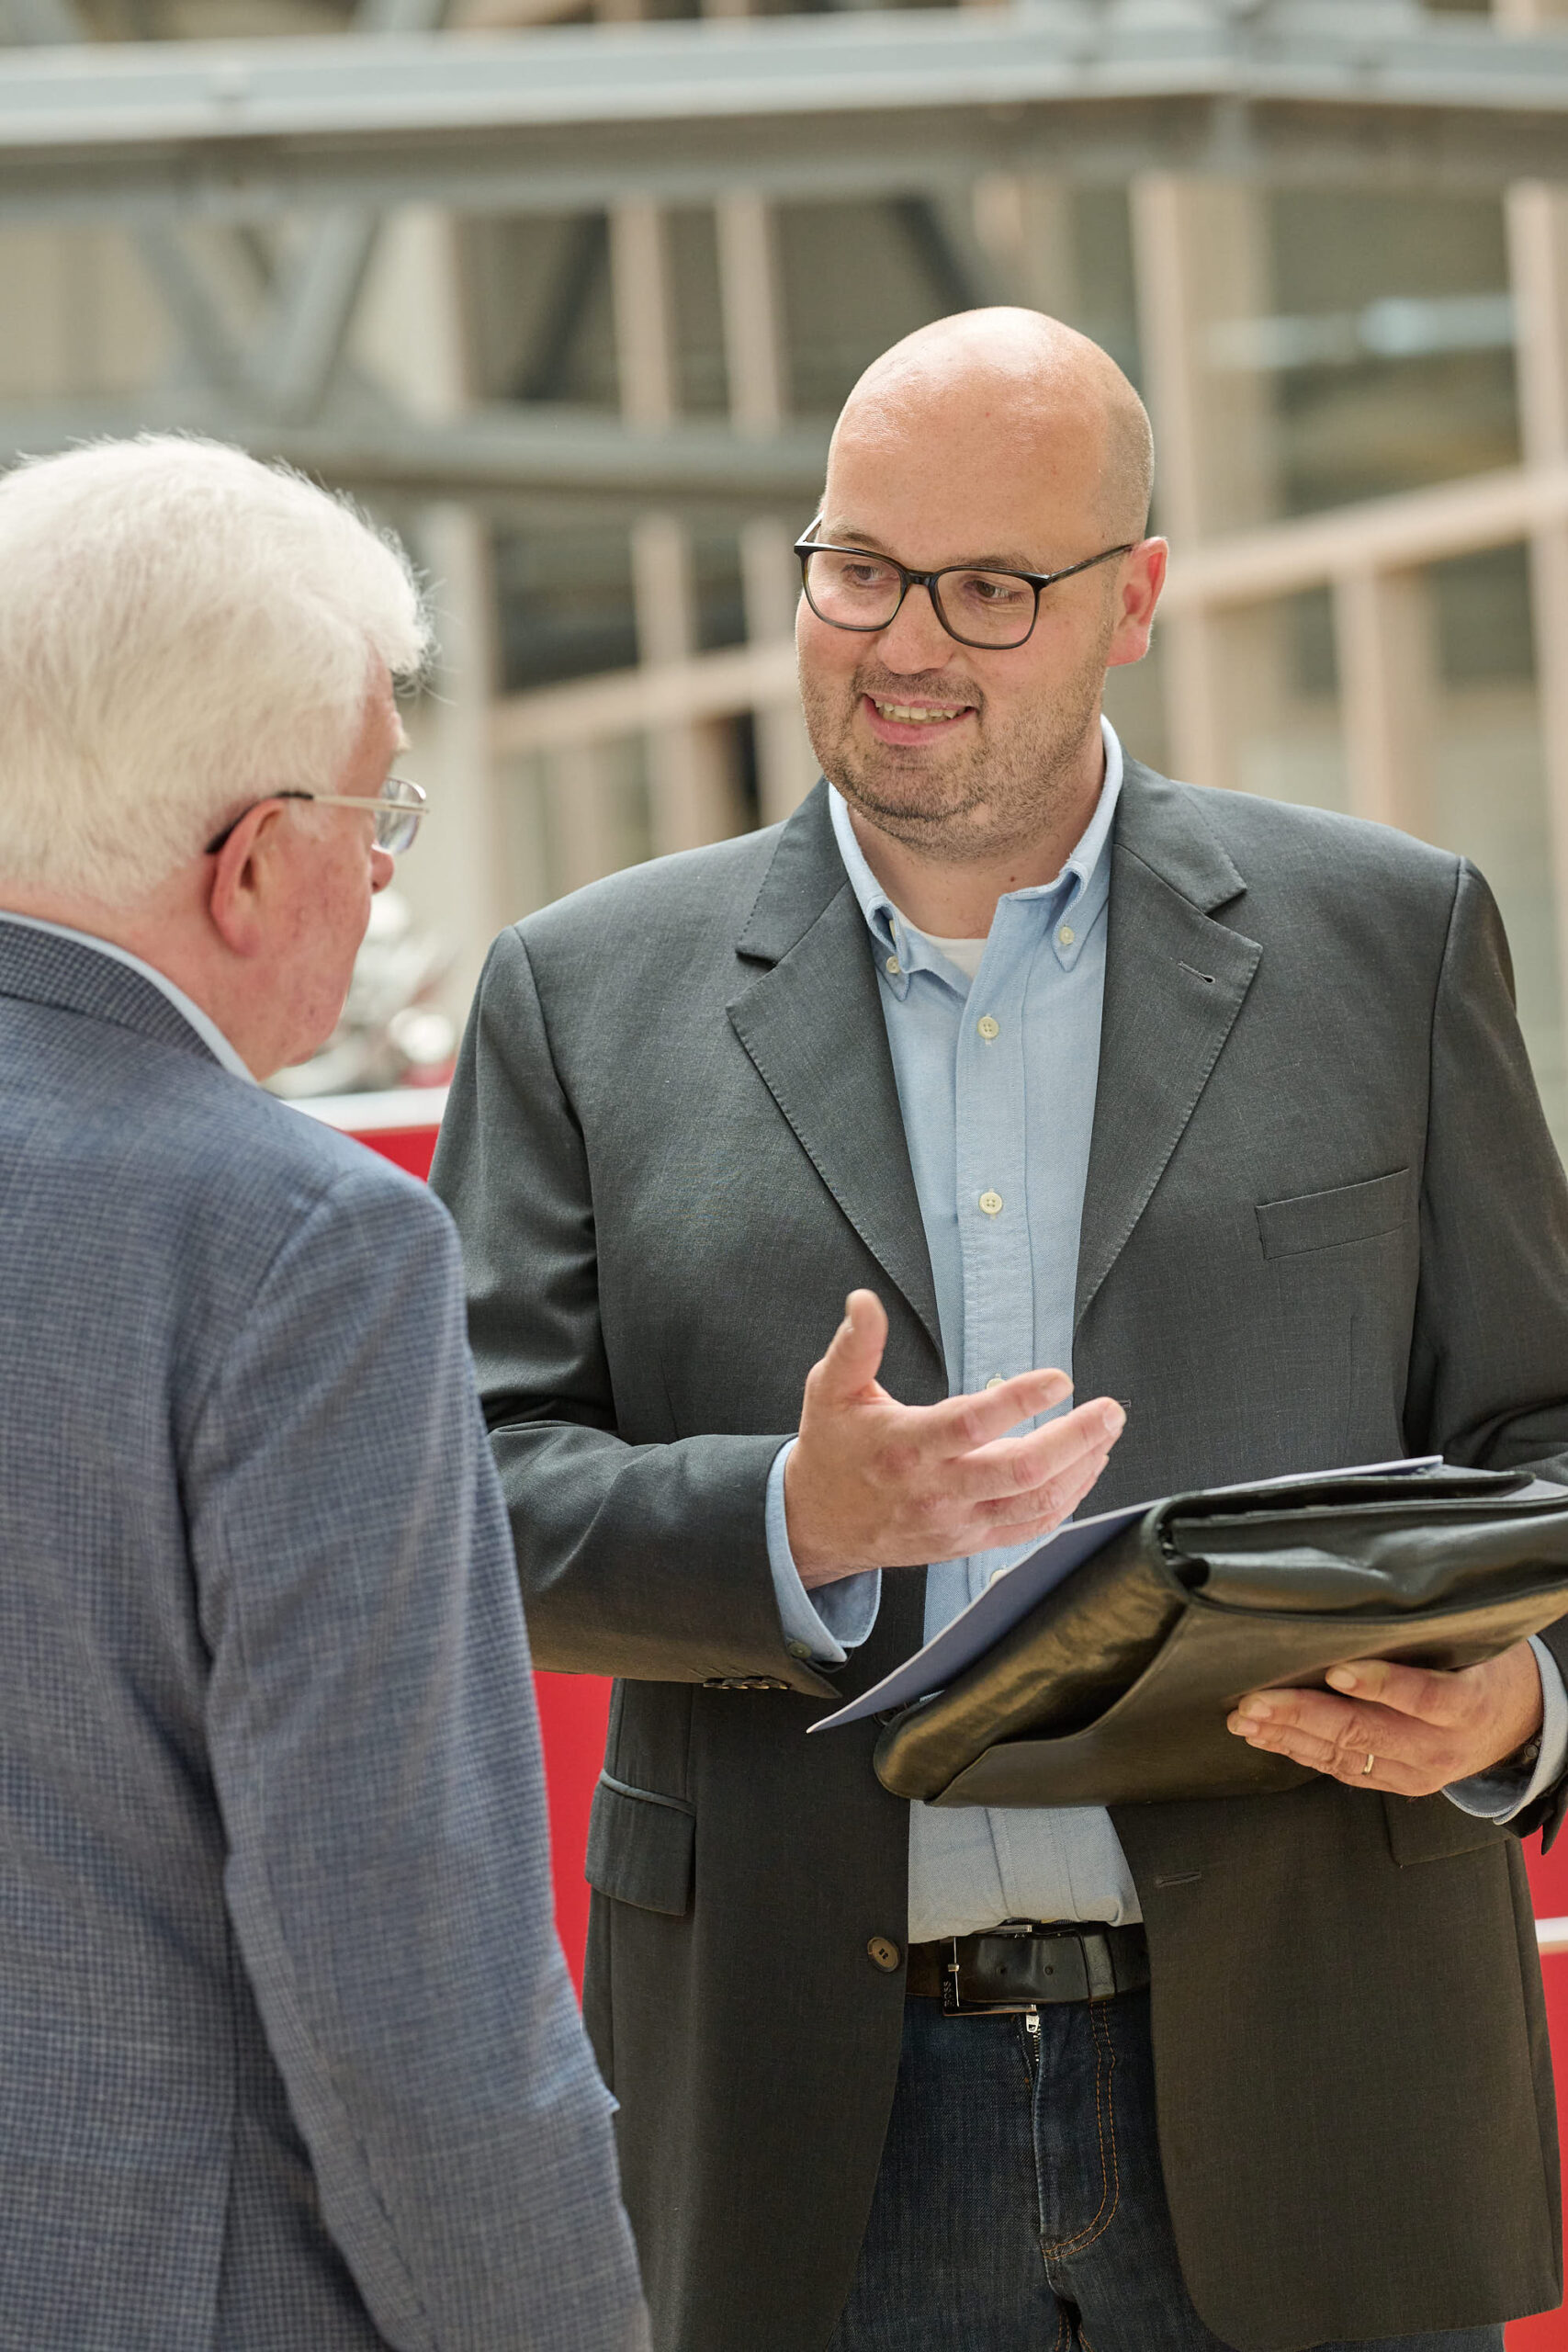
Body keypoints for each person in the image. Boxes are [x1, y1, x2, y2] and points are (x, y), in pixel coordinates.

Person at [432, 311, 1568, 2352]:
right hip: (808, 2129)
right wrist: (788, 1515)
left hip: (1318, 2081)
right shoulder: (574, 994)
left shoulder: (1389, 943)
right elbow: (465, 1500)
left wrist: (1520, 1702)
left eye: (987, 587)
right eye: (856, 567)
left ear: (1130, 600)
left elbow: (1537, 1439)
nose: (901, 641)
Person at [0, 436, 648, 2352]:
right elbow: (409, 1980)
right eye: (379, 812)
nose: (382, 872)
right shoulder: (301, 1247)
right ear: (257, 855)